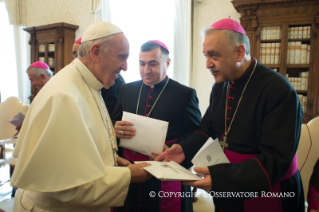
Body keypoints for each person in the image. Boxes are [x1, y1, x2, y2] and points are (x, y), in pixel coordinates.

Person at [156, 18, 304, 212]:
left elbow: (275, 159)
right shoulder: (221, 85)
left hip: (267, 191)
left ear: (240, 52)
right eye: (205, 55)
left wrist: (223, 178)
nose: (208, 63)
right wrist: (184, 150)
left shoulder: (279, 91)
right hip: (227, 184)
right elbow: (207, 130)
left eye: (214, 55)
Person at [11, 21, 151, 212]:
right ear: (95, 52)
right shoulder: (64, 95)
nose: (126, 67)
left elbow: (81, 143)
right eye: (121, 57)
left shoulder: (88, 82)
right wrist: (129, 175)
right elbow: (69, 187)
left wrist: (108, 158)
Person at [112, 40, 201, 212]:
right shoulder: (126, 90)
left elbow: (196, 133)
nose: (146, 70)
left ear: (167, 63)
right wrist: (114, 128)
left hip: (166, 170)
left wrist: (179, 148)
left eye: (153, 64)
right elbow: (113, 121)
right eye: (141, 63)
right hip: (128, 167)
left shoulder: (185, 94)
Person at [73, 37, 126, 115]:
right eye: (74, 54)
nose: (77, 59)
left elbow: (113, 115)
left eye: (80, 55)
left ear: (93, 54)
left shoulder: (113, 78)